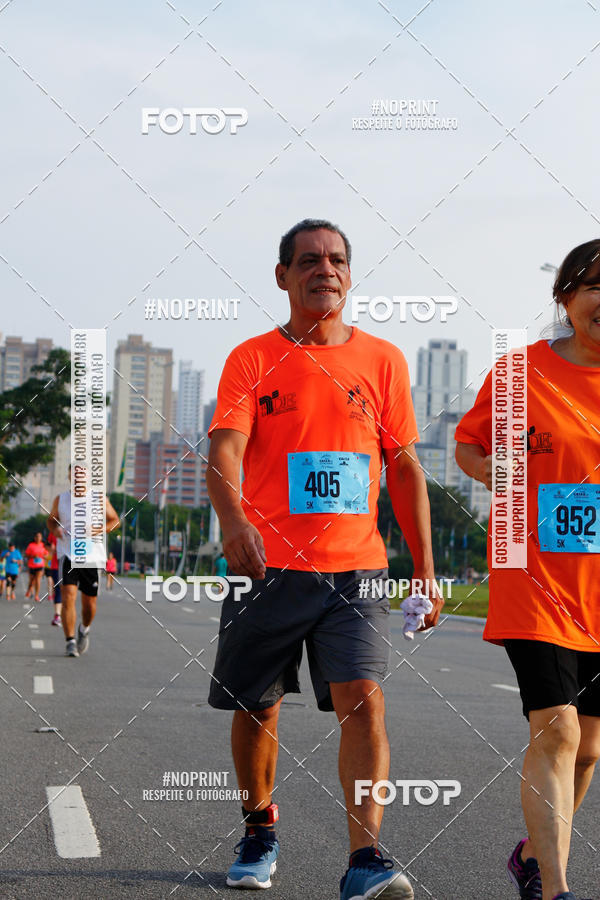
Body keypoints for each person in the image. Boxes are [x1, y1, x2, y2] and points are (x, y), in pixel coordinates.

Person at [206, 219, 443, 899]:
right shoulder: (252, 360)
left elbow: (402, 468)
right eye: (309, 260)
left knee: (364, 703)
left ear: (349, 272)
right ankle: (259, 829)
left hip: (356, 570)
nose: (325, 270)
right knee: (257, 708)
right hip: (267, 567)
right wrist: (233, 522)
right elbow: (224, 449)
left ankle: (365, 859)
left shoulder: (384, 361)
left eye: (337, 259)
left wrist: (423, 567)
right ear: (283, 275)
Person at [455, 239, 600, 900]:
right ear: (566, 297)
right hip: (533, 577)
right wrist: (494, 471)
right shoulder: (520, 375)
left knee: (590, 748)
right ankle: (558, 889)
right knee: (559, 728)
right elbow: (467, 444)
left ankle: (534, 856)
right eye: (594, 285)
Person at [47, 468, 120, 658]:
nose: (79, 478)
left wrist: (98, 529)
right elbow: (51, 521)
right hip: (69, 555)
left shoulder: (98, 498)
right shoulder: (60, 499)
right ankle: (70, 641)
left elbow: (115, 521)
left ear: (88, 478)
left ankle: (84, 628)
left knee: (89, 605)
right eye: (75, 474)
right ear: (70, 477)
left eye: (82, 475)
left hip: (92, 558)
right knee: (68, 595)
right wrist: (55, 531)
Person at [25, 531, 46, 601]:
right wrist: (33, 556)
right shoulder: (31, 545)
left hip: (40, 565)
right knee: (31, 581)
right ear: (34, 538)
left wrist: (43, 556)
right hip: (32, 565)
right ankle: (29, 590)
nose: (38, 538)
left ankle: (36, 595)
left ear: (41, 538)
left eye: (39, 536)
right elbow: (26, 555)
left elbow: (47, 554)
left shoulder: (43, 545)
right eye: (37, 536)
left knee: (37, 580)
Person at [48, 533, 62, 626]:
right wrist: (53, 549)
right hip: (56, 566)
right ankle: (58, 615)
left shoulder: (77, 527)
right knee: (58, 590)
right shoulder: (54, 532)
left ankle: (62, 614)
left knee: (68, 591)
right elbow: (50, 547)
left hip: (72, 566)